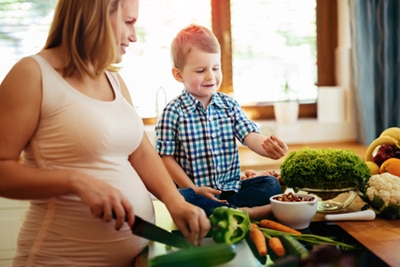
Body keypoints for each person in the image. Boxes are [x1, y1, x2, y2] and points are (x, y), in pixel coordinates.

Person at [0, 1, 210, 266]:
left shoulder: (113, 79)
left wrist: (174, 200)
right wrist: (76, 180)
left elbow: (141, 152)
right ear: (97, 15)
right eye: (129, 22)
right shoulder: (32, 74)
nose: (133, 36)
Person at [155, 24, 288, 220]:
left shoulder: (228, 105)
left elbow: (249, 135)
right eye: (201, 70)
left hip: (231, 188)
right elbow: (166, 158)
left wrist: (268, 148)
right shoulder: (173, 112)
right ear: (179, 74)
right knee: (181, 198)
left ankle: (227, 212)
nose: (211, 76)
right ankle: (248, 213)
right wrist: (193, 188)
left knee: (270, 184)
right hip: (196, 191)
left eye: (215, 68)